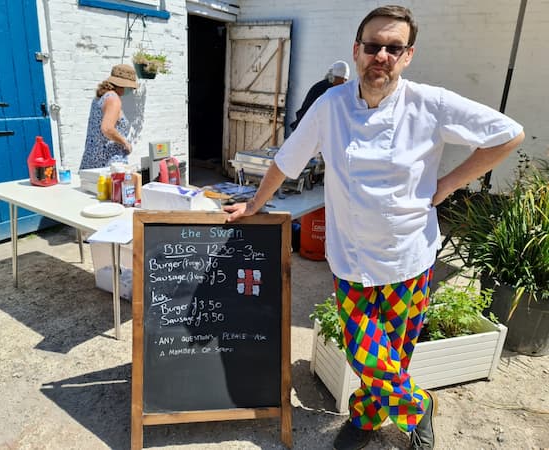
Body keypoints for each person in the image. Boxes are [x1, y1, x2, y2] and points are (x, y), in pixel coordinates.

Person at [225, 5, 525, 450]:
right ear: (357, 51)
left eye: (393, 47)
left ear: (407, 56)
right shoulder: (330, 105)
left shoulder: (430, 103)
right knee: (362, 350)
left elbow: (508, 134)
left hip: (408, 258)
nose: (381, 55)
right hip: (351, 260)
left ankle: (366, 418)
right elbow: (287, 161)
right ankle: (418, 406)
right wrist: (254, 204)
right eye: (373, 46)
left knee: (395, 354)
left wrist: (446, 185)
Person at [79, 64, 138, 170]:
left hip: (92, 158)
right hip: (109, 162)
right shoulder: (113, 99)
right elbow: (107, 128)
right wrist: (125, 142)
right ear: (124, 85)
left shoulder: (101, 97)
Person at [289, 60, 350, 131]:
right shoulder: (328, 90)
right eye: (344, 80)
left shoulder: (324, 86)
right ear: (336, 77)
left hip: (305, 127)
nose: (344, 83)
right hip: (306, 129)